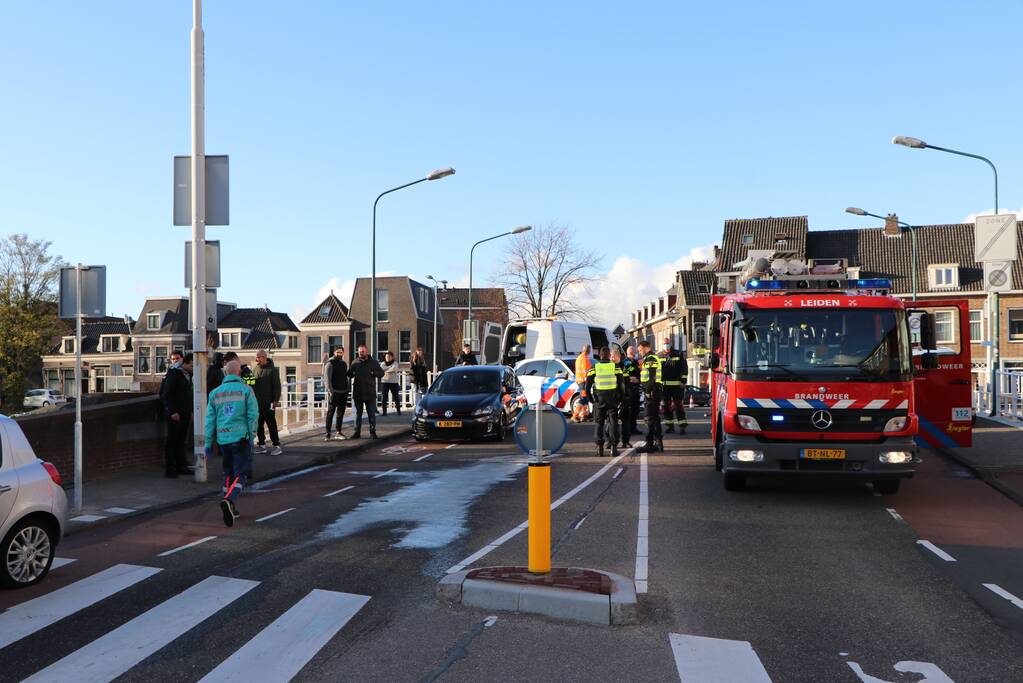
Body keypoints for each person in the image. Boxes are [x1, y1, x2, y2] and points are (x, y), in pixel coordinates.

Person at [204, 358, 259, 527]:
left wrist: (207, 444)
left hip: (223, 439)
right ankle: (229, 499)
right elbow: (253, 415)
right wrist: (252, 435)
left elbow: (209, 420)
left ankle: (230, 507)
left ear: (225, 373)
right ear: (239, 372)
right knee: (241, 474)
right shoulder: (246, 390)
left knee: (227, 474)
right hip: (241, 438)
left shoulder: (215, 393)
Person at [161, 352, 194, 478]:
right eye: (191, 366)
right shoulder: (175, 374)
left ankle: (181, 466)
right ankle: (170, 468)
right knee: (172, 440)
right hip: (175, 413)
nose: (193, 368)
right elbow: (167, 394)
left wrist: (190, 411)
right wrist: (172, 411)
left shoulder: (188, 375)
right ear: (185, 363)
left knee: (181, 440)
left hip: (185, 412)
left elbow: (188, 394)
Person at [586, 346, 623, 457]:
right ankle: (613, 448)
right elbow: (622, 385)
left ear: (600, 355)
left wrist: (590, 399)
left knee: (599, 423)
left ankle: (600, 448)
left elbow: (587, 386)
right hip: (612, 399)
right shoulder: (615, 367)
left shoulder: (594, 367)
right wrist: (621, 398)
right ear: (608, 355)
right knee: (613, 423)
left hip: (599, 399)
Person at [348, 344, 384, 438]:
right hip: (358, 392)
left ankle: (373, 432)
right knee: (357, 414)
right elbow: (350, 374)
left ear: (366, 352)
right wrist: (350, 372)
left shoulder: (373, 362)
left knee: (371, 414)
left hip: (370, 392)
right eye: (359, 352)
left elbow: (381, 373)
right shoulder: (355, 362)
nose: (361, 353)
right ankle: (357, 433)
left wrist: (374, 373)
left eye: (363, 351)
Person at [252, 349, 283, 455]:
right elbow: (251, 383)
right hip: (257, 403)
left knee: (271, 425)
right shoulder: (255, 369)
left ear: (264, 357)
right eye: (256, 357)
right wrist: (246, 375)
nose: (256, 360)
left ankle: (276, 445)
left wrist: (275, 400)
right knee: (258, 425)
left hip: (269, 403)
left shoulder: (272, 370)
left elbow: (277, 387)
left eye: (258, 357)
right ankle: (261, 445)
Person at [659, 338, 688, 435]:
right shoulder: (659, 355)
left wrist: (683, 381)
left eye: (667, 344)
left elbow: (684, 368)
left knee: (678, 405)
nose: (666, 345)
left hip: (677, 385)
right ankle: (670, 426)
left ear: (670, 344)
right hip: (664, 386)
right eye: (664, 344)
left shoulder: (678, 354)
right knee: (666, 406)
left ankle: (682, 426)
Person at [638, 340, 663, 452]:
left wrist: (647, 390)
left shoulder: (651, 358)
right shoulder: (651, 358)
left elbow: (652, 377)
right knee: (655, 418)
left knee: (648, 418)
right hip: (655, 391)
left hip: (652, 391)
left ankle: (649, 443)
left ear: (645, 347)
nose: (639, 352)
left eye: (640, 350)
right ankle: (658, 442)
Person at [323, 347, 350, 440]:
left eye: (341, 352)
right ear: (334, 352)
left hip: (344, 391)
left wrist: (347, 388)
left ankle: (338, 432)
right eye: (338, 352)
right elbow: (327, 379)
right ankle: (328, 433)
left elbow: (345, 376)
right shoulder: (330, 363)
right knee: (330, 412)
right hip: (334, 392)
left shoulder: (343, 363)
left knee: (340, 413)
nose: (339, 354)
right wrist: (330, 391)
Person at [611, 348, 632, 449]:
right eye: (610, 356)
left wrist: (626, 396)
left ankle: (626, 441)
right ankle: (611, 442)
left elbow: (626, 382)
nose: (611, 358)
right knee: (611, 421)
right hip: (612, 397)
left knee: (625, 421)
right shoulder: (609, 367)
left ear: (618, 356)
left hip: (623, 397)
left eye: (613, 356)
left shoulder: (624, 367)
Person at [625, 345, 642, 437]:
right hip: (630, 389)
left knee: (636, 410)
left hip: (636, 388)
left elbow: (639, 374)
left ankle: (633, 427)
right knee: (630, 410)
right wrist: (631, 379)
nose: (637, 353)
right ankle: (630, 428)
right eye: (636, 352)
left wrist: (638, 379)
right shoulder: (626, 362)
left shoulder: (635, 362)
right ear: (631, 352)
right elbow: (626, 375)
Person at [573, 344, 592, 423]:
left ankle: (583, 416)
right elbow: (586, 372)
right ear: (589, 350)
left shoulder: (579, 358)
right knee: (583, 399)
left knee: (585, 399)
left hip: (579, 381)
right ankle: (575, 416)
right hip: (584, 382)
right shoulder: (585, 359)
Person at [380, 351, 401, 416]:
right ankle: (384, 412)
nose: (388, 358)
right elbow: (381, 369)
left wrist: (386, 370)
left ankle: (398, 411)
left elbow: (394, 369)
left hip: (394, 382)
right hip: (384, 382)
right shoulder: (383, 363)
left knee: (396, 397)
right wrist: (390, 368)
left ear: (392, 357)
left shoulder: (395, 363)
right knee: (384, 397)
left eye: (389, 357)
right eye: (386, 357)